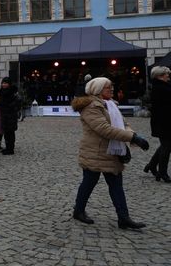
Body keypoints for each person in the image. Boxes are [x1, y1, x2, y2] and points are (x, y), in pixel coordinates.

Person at [70, 77, 149, 229]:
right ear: (98, 90)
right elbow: (105, 130)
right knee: (89, 183)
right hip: (95, 152)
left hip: (112, 151)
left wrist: (133, 135)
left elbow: (124, 124)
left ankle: (123, 218)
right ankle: (78, 211)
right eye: (108, 87)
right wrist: (133, 137)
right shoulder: (91, 107)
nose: (112, 89)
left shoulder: (110, 105)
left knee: (116, 184)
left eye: (112, 86)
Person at [144, 66, 171, 182]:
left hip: (164, 121)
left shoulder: (162, 86)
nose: (168, 76)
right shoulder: (160, 88)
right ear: (159, 76)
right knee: (166, 146)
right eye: (166, 74)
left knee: (165, 145)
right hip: (164, 121)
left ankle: (152, 165)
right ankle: (162, 172)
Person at [0, 77, 20, 155]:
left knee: (10, 132)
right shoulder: (2, 91)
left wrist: (9, 107)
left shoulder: (12, 92)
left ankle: (11, 149)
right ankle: (7, 147)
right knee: (6, 132)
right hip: (4, 114)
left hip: (11, 114)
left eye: (5, 83)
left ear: (9, 84)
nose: (4, 84)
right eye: (3, 83)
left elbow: (16, 103)